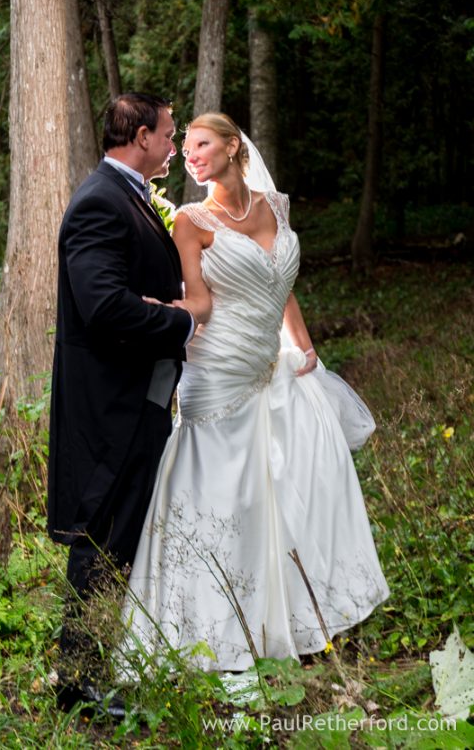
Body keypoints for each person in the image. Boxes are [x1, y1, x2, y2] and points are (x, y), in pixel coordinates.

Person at [121, 112, 389, 673]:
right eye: (185, 146)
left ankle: (294, 614)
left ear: (232, 145)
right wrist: (157, 313)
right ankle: (211, 632)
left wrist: (305, 348)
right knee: (223, 496)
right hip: (218, 367)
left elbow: (280, 285)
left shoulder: (275, 207)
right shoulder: (190, 222)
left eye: (201, 144)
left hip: (273, 366)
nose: (190, 154)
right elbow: (200, 300)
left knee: (299, 486)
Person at [47, 93, 201, 710]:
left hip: (140, 401)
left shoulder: (129, 196)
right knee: (100, 542)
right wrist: (181, 322)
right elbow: (103, 305)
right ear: (139, 136)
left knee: (118, 540)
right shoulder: (98, 204)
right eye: (168, 134)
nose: (173, 145)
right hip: (110, 407)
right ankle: (78, 685)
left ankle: (95, 670)